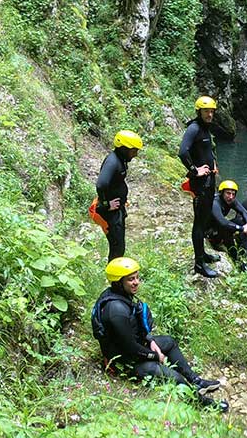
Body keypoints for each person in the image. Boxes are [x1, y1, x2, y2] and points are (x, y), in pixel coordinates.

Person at [92, 257, 226, 410]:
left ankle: (196, 381)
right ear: (118, 282)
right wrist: (156, 356)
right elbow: (130, 348)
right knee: (175, 378)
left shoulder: (120, 295)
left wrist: (150, 340)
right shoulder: (116, 311)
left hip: (134, 348)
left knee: (168, 342)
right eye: (130, 279)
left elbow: (136, 326)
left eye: (137, 277)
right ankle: (202, 404)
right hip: (126, 361)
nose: (136, 282)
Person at [179, 95, 221, 277]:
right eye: (206, 111)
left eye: (212, 111)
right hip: (200, 184)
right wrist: (195, 170)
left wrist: (213, 165)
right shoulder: (194, 128)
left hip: (209, 182)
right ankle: (199, 264)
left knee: (204, 220)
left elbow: (205, 151)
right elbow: (182, 152)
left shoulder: (205, 129)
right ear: (199, 112)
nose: (210, 114)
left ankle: (203, 254)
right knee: (199, 222)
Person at [94, 130, 142, 260]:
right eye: (133, 151)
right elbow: (101, 185)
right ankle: (115, 278)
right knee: (117, 247)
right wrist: (105, 204)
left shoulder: (121, 159)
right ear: (123, 148)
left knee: (119, 246)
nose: (135, 154)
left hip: (117, 209)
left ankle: (118, 277)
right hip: (110, 212)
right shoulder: (113, 162)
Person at [207, 180, 247, 270]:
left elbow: (244, 212)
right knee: (227, 229)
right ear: (221, 193)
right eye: (228, 193)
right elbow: (223, 222)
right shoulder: (215, 203)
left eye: (233, 194)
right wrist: (241, 228)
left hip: (220, 227)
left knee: (241, 220)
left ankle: (245, 251)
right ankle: (236, 259)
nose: (231, 197)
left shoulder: (231, 200)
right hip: (211, 232)